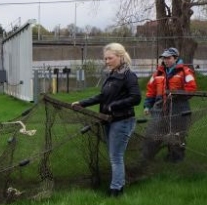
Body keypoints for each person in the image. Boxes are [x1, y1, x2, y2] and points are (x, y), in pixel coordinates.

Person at [72, 43, 141, 197]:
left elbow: (136, 98)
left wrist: (114, 106)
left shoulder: (128, 75)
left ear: (120, 57)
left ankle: (116, 190)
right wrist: (82, 103)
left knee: (116, 156)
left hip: (122, 121)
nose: (107, 61)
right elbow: (102, 96)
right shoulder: (111, 75)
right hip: (108, 120)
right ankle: (119, 186)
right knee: (114, 155)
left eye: (110, 58)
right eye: (105, 58)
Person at [142, 47, 197, 162]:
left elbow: (191, 89)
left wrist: (176, 95)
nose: (166, 60)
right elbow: (151, 91)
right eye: (164, 58)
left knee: (176, 136)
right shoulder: (157, 73)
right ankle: (146, 159)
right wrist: (147, 105)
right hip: (159, 109)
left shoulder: (185, 72)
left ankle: (176, 161)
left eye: (168, 58)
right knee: (153, 134)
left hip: (179, 109)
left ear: (176, 58)